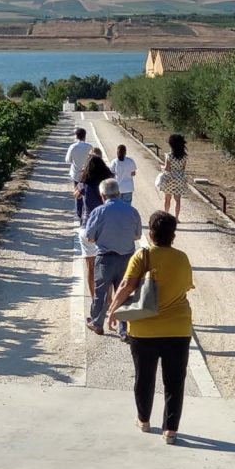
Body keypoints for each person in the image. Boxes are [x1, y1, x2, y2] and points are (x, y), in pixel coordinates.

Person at [108, 211, 194, 445]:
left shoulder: (141, 256)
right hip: (178, 328)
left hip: (143, 328)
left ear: (151, 233)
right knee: (174, 381)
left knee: (144, 377)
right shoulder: (182, 258)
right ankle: (170, 430)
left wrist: (113, 311)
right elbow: (186, 287)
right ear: (173, 235)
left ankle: (144, 420)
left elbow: (126, 285)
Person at [84, 177, 142, 337]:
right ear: (118, 193)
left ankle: (97, 323)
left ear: (102, 194)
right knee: (124, 291)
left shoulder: (98, 212)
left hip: (105, 258)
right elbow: (137, 236)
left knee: (101, 292)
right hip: (127, 258)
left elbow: (89, 236)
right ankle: (124, 329)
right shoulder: (132, 211)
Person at [75, 152, 114, 298]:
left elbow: (76, 195)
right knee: (107, 266)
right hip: (105, 229)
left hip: (87, 226)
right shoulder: (107, 184)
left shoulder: (84, 183)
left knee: (90, 267)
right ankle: (109, 298)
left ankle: (94, 299)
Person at [65, 128, 93, 225]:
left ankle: (80, 215)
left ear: (76, 136)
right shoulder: (90, 147)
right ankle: (87, 214)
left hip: (76, 174)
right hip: (87, 174)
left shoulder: (73, 147)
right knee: (87, 193)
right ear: (85, 136)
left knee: (78, 194)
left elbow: (68, 160)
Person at [159, 133, 188, 220]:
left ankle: (166, 215)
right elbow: (183, 168)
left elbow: (167, 168)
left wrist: (162, 167)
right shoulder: (184, 156)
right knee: (178, 200)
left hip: (170, 179)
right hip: (180, 178)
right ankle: (176, 218)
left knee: (167, 199)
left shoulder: (169, 155)